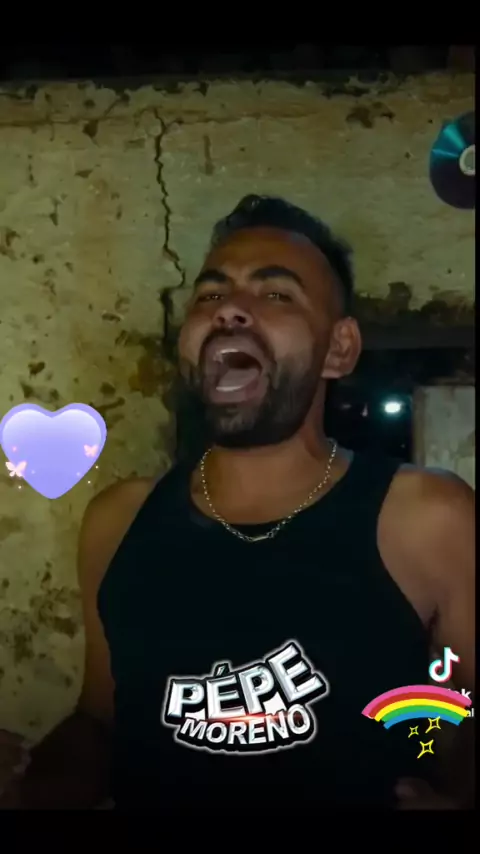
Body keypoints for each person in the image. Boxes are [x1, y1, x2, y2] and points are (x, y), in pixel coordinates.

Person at [1, 195, 474, 811]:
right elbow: (100, 714)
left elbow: (464, 718)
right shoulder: (118, 521)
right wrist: (40, 778)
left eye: (276, 294)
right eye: (210, 294)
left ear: (339, 348)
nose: (228, 309)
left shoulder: (426, 517)